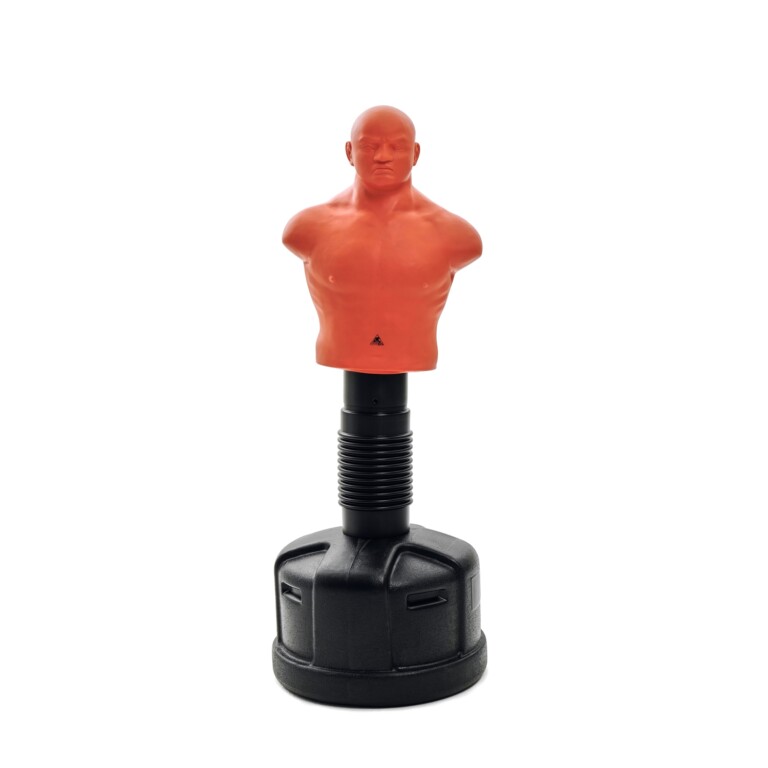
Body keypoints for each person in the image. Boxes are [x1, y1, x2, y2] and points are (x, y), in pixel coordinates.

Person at [282, 105, 482, 373]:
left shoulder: (455, 235)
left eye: (397, 147)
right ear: (349, 152)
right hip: (337, 353)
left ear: (415, 154)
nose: (383, 157)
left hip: (413, 356)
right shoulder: (307, 229)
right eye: (369, 146)